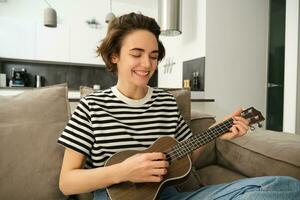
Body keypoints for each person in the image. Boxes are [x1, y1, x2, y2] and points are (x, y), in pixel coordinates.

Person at [58, 12, 300, 200]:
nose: (147, 64)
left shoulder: (166, 102)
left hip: (171, 196)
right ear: (114, 56)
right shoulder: (91, 106)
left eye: (153, 55)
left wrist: (217, 132)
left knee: (285, 187)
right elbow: (67, 181)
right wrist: (123, 171)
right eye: (136, 54)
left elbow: (185, 157)